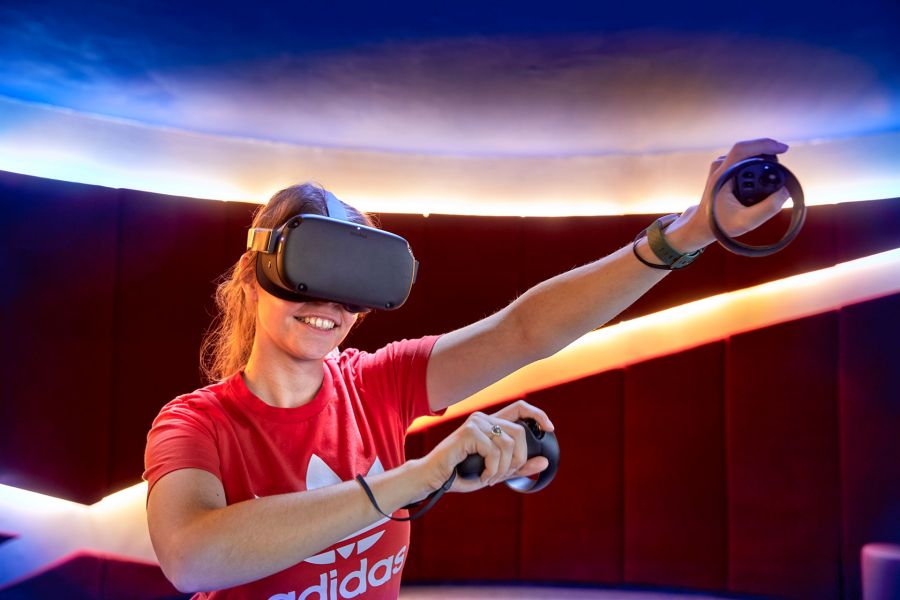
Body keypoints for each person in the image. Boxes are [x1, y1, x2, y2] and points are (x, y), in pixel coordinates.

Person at [144, 138, 792, 598]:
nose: (329, 307)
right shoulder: (196, 425)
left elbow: (525, 330)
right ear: (254, 278)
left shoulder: (375, 383)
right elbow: (193, 557)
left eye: (353, 287)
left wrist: (687, 234)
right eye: (308, 275)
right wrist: (413, 479)